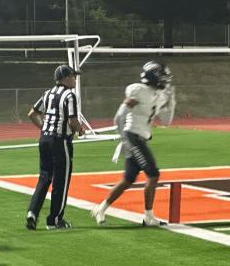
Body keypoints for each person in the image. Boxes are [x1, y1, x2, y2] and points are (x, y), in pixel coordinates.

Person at [90, 60, 175, 226]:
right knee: (153, 174)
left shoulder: (157, 94)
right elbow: (119, 117)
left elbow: (166, 121)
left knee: (128, 179)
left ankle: (100, 208)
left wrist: (171, 102)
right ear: (154, 76)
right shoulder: (140, 91)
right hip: (133, 136)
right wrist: (125, 139)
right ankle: (148, 216)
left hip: (140, 138)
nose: (166, 79)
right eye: (163, 76)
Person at [26, 65, 84, 230]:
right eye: (73, 76)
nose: (75, 79)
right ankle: (55, 219)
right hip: (60, 142)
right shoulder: (69, 95)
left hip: (44, 139)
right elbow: (72, 121)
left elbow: (32, 113)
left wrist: (45, 128)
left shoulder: (47, 93)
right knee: (61, 181)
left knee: (44, 178)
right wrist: (79, 130)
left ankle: (32, 213)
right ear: (66, 78)